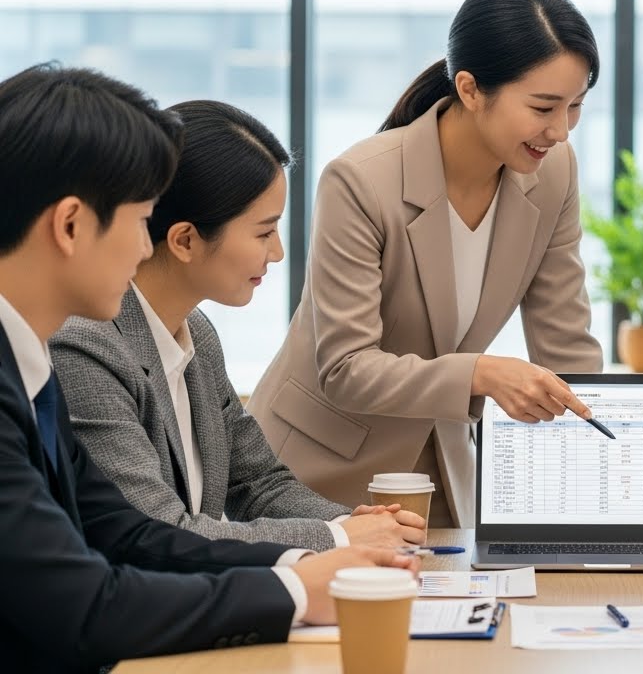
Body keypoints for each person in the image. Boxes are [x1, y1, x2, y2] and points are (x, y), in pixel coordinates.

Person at [0, 64, 416, 673]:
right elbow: (88, 605)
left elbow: (131, 535)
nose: (148, 247)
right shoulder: (61, 357)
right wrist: (304, 583)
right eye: (142, 222)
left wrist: (316, 561)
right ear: (69, 225)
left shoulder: (28, 368)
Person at [249, 0, 604, 527]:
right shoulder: (360, 180)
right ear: (469, 89)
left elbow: (567, 345)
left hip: (437, 476)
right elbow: (346, 366)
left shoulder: (553, 173)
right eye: (543, 107)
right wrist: (481, 374)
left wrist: (603, 453)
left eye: (576, 106)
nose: (560, 131)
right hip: (316, 478)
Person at [51, 100, 425, 552]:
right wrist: (339, 536)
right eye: (264, 232)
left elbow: (259, 483)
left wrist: (357, 523)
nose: (278, 253)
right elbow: (158, 533)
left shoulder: (197, 334)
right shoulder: (85, 346)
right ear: (185, 240)